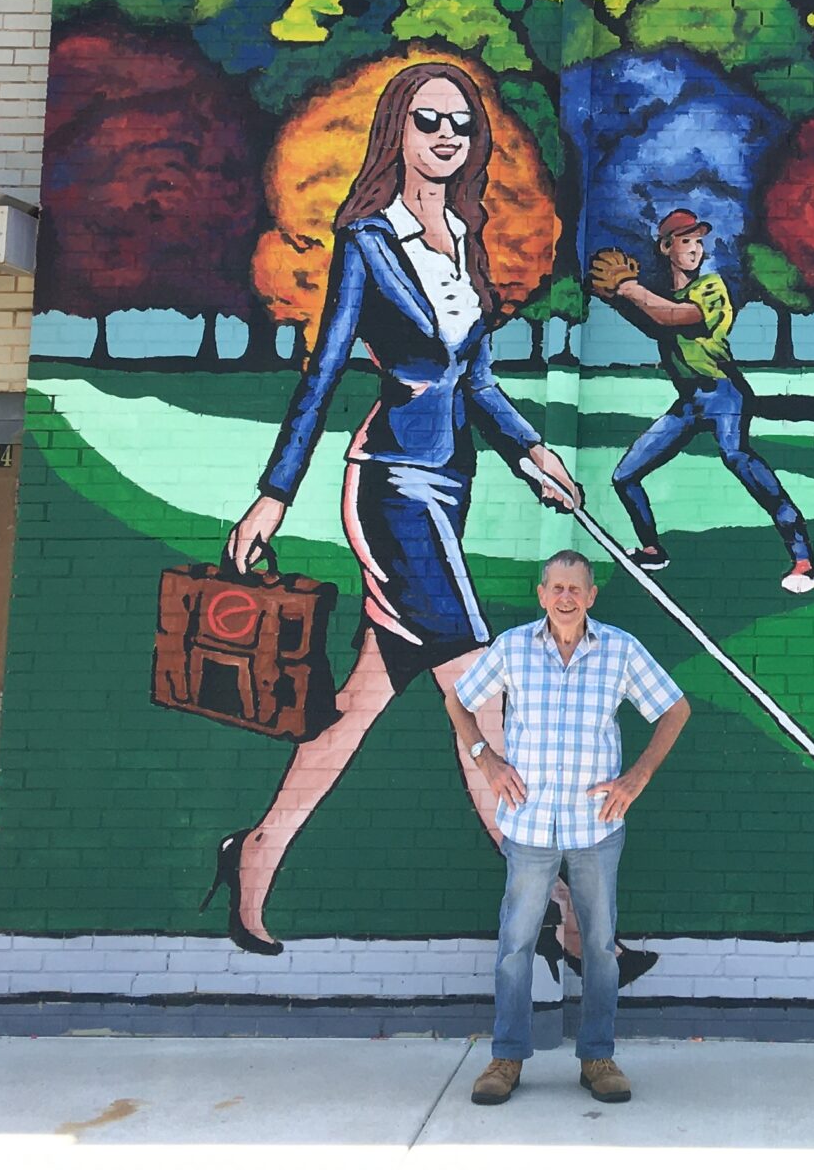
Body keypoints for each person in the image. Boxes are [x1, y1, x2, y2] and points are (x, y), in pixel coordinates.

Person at [203, 61, 586, 954]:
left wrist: (533, 452)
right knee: (484, 704)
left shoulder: (466, 237)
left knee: (356, 704)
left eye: (460, 123)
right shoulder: (368, 244)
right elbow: (323, 373)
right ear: (397, 134)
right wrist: (273, 494)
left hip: (450, 486)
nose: (446, 136)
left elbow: (475, 381)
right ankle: (563, 920)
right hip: (392, 490)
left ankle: (254, 852)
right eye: (427, 121)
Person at [449, 550, 690, 1108]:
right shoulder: (512, 648)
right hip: (529, 824)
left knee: (600, 947)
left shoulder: (620, 650)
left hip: (595, 826)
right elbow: (457, 701)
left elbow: (674, 710)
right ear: (542, 594)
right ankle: (507, 1056)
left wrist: (637, 777)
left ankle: (597, 1057)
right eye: (556, 587)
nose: (565, 597)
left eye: (575, 588)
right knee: (516, 944)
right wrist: (486, 759)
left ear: (591, 595)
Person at [587, 209, 814, 594]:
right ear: (666, 248)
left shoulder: (711, 288)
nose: (696, 249)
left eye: (699, 241)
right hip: (690, 402)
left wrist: (628, 289)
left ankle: (804, 559)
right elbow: (654, 319)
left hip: (723, 392)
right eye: (686, 241)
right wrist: (615, 297)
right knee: (624, 476)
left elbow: (677, 317)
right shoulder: (662, 297)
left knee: (737, 457)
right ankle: (651, 550)